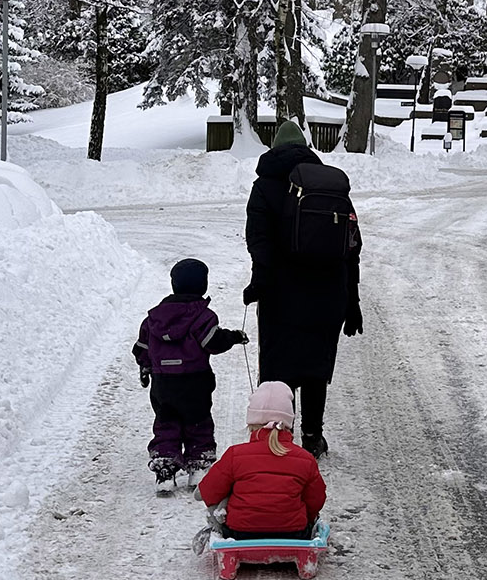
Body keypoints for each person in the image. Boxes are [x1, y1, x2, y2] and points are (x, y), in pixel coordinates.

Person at [242, 120, 362, 457]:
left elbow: (259, 241)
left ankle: (278, 435)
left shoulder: (264, 186)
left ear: (274, 149)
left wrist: (259, 283)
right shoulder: (329, 186)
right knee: (314, 367)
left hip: (281, 293)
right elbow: (352, 246)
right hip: (328, 292)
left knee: (278, 367)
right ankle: (312, 436)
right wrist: (352, 301)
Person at [134, 257, 247, 493]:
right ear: (203, 285)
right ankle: (198, 467)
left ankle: (165, 468)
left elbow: (142, 347)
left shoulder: (154, 318)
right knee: (198, 421)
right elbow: (213, 342)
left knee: (166, 422)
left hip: (163, 382)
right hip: (195, 380)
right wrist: (234, 336)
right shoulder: (202, 316)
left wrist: (145, 368)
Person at [195, 381, 326, 540]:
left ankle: (222, 539)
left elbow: (208, 492)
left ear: (251, 424)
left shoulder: (236, 455)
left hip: (241, 532)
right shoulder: (305, 459)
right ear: (288, 423)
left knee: (224, 496)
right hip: (293, 532)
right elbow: (316, 500)